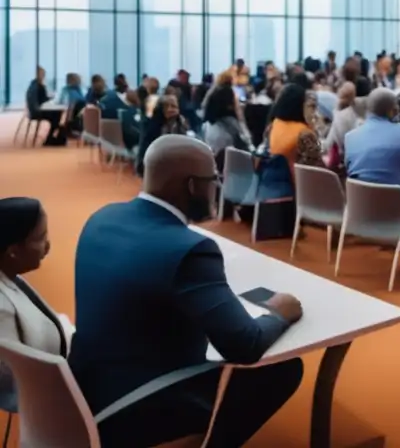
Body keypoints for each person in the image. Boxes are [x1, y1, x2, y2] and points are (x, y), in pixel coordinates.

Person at [69, 135, 303, 447]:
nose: (215, 188)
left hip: (83, 392)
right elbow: (244, 344)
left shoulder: (101, 218)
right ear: (193, 186)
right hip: (137, 405)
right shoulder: (190, 249)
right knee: (283, 369)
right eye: (213, 180)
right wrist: (280, 311)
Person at [0, 198, 67, 409]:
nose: (47, 245)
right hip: (46, 401)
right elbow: (14, 384)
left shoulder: (10, 275)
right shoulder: (2, 311)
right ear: (13, 250)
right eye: (40, 238)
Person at [266, 84, 324, 175]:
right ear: (299, 106)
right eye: (312, 107)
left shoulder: (275, 124)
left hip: (275, 180)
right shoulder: (305, 134)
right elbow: (317, 171)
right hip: (297, 184)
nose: (315, 112)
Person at [203, 83, 251, 162]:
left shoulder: (207, 125)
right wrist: (241, 117)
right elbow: (248, 145)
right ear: (230, 105)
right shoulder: (232, 125)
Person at [25, 67, 63, 145]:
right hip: (37, 112)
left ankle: (52, 137)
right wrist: (51, 98)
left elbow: (41, 99)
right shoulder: (39, 86)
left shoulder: (32, 85)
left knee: (56, 115)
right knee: (57, 114)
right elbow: (44, 100)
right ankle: (50, 139)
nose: (44, 76)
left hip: (32, 111)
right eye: (42, 74)